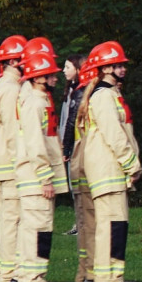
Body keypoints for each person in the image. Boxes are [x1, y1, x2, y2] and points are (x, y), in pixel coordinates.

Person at [78, 41, 142, 282]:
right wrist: (131, 164)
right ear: (105, 69)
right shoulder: (104, 96)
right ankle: (110, 280)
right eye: (117, 65)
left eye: (122, 64)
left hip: (108, 169)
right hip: (109, 169)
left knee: (110, 225)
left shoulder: (107, 94)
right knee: (114, 225)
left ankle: (106, 279)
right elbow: (114, 135)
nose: (122, 69)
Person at [11, 39, 69, 282]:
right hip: (36, 177)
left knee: (32, 226)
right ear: (38, 78)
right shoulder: (35, 103)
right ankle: (33, 279)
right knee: (39, 226)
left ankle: (27, 275)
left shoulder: (39, 100)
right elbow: (36, 143)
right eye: (49, 74)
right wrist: (46, 177)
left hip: (32, 175)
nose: (55, 77)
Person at [0, 35, 27, 282]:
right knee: (13, 219)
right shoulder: (11, 89)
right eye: (24, 58)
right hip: (9, 163)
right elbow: (14, 132)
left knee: (9, 219)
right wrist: (22, 164)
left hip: (3, 160)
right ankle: (9, 273)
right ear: (13, 61)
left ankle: (6, 272)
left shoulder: (5, 85)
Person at [69, 54, 99, 282]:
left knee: (85, 220)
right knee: (90, 221)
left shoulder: (79, 94)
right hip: (87, 163)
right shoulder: (90, 97)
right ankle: (90, 273)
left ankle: (84, 272)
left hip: (79, 163)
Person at [59, 54, 86, 235]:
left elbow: (71, 121)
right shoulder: (70, 91)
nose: (63, 70)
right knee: (74, 184)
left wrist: (66, 147)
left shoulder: (81, 92)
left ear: (78, 69)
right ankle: (80, 222)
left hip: (77, 144)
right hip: (69, 142)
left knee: (79, 185)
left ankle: (82, 223)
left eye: (68, 67)